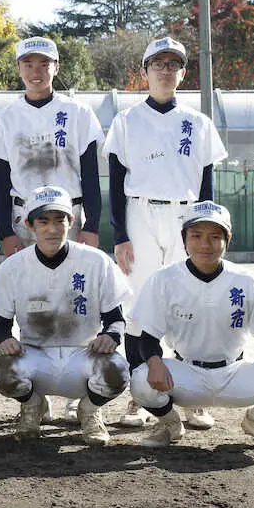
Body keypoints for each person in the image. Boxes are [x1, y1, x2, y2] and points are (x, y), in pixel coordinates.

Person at [103, 37, 228, 430]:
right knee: (140, 303)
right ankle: (142, 394)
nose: (165, 70)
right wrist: (120, 236)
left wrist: (205, 232)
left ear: (183, 72)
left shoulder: (199, 123)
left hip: (186, 218)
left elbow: (207, 186)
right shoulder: (126, 121)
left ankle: (192, 397)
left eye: (173, 64)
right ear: (144, 71)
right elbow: (116, 182)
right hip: (140, 212)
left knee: (188, 299)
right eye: (157, 63)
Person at [0, 36, 104, 424]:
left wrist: (94, 227)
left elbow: (90, 174)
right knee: (31, 298)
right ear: (19, 69)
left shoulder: (78, 112)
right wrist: (5, 231)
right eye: (28, 64)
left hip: (71, 216)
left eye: (44, 64)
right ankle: (34, 390)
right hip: (25, 217)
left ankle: (78, 389)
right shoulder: (4, 119)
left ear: (56, 67)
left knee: (77, 297)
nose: (36, 72)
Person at [127, 201, 254, 451]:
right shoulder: (163, 279)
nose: (205, 244)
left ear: (227, 239)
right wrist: (154, 361)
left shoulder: (247, 281)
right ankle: (169, 423)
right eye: (196, 236)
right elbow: (147, 337)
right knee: (140, 381)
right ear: (184, 239)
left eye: (215, 236)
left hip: (234, 372)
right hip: (185, 373)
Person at [0, 185, 131, 446]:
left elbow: (116, 319)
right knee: (1, 369)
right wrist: (4, 340)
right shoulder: (12, 268)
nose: (52, 229)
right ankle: (32, 405)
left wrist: (111, 336)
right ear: (30, 225)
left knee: (117, 369)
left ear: (71, 221)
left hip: (83, 357)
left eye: (60, 220)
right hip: (35, 356)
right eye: (43, 221)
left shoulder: (96, 262)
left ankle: (89, 410)